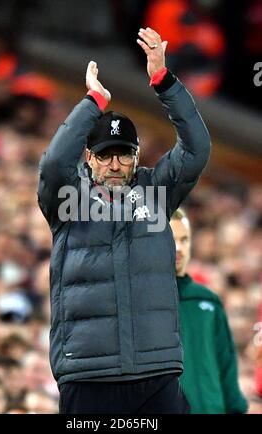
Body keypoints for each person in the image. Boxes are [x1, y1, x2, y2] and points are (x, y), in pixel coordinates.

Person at [38, 27, 211, 414]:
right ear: (89, 157)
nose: (115, 164)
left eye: (124, 154)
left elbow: (197, 148)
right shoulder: (66, 198)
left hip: (157, 371)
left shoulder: (157, 191)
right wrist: (92, 102)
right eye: (105, 155)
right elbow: (52, 163)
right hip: (88, 374)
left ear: (136, 156)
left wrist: (164, 82)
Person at [170, 208, 248, 414]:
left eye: (184, 240)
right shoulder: (139, 302)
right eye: (171, 239)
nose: (179, 248)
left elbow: (226, 367)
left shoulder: (208, 301)